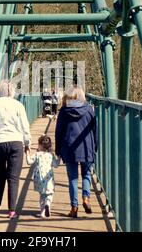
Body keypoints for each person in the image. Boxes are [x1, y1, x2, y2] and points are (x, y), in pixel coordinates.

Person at [0, 81, 31, 219]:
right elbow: (25, 127)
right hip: (16, 143)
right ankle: (12, 211)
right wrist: (27, 142)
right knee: (13, 178)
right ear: (13, 92)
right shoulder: (18, 105)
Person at [55, 85, 97, 218]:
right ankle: (86, 197)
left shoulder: (63, 111)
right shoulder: (89, 110)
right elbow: (95, 130)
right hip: (86, 146)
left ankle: (74, 207)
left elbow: (58, 132)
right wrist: (95, 145)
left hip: (69, 148)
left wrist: (58, 149)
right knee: (86, 174)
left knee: (72, 178)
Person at [25, 135, 60, 218]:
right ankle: (48, 203)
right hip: (48, 178)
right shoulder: (51, 155)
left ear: (40, 145)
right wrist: (59, 157)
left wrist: (27, 153)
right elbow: (56, 165)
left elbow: (29, 162)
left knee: (42, 195)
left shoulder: (37, 154)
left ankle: (42, 212)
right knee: (49, 193)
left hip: (39, 177)